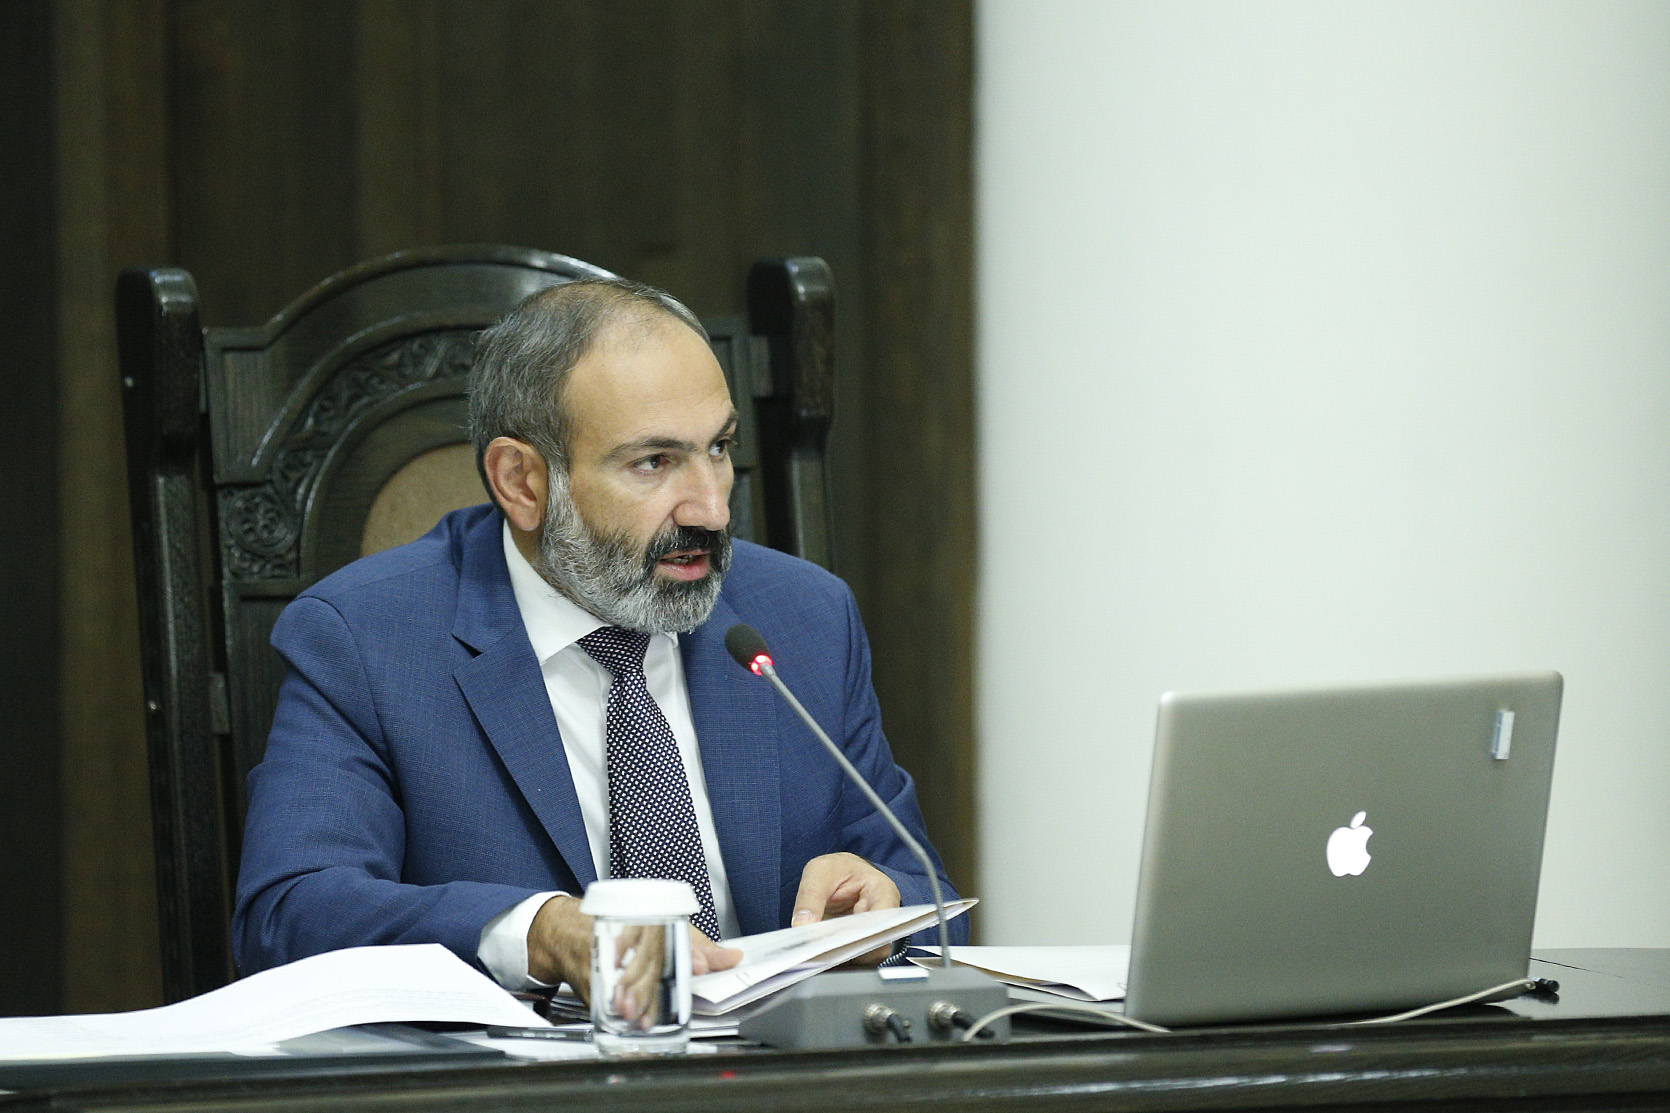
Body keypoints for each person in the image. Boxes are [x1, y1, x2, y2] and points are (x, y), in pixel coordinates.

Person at [231, 277, 965, 994]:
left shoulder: (803, 617)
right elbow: (288, 913)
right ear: (521, 482)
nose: (711, 509)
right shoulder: (368, 638)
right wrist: (538, 932)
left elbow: (933, 901)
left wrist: (885, 906)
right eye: (654, 462)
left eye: (718, 448)